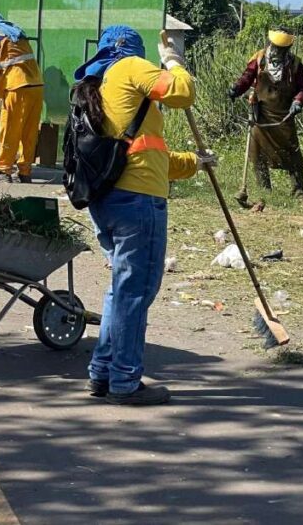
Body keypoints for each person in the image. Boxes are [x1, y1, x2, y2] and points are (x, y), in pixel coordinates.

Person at [73, 25, 213, 406]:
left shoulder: (97, 80)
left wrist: (195, 163)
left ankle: (102, 372)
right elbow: (182, 93)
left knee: (121, 289)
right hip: (138, 203)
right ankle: (125, 381)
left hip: (109, 199)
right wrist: (174, 62)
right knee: (134, 292)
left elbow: (145, 155)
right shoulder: (130, 67)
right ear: (132, 51)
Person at [227, 28, 303, 199]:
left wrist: (298, 101)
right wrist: (236, 88)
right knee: (257, 153)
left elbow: (302, 87)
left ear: (288, 48)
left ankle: (299, 191)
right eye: (275, 46)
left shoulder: (295, 64)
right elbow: (247, 77)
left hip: (284, 116)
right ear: (271, 44)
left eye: (282, 48)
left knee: (292, 153)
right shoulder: (259, 58)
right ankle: (265, 191)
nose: (278, 50)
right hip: (261, 115)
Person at [0, 11, 44, 183]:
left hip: (17, 87)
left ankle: (3, 170)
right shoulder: (16, 32)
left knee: (9, 128)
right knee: (29, 131)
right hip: (36, 85)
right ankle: (25, 171)